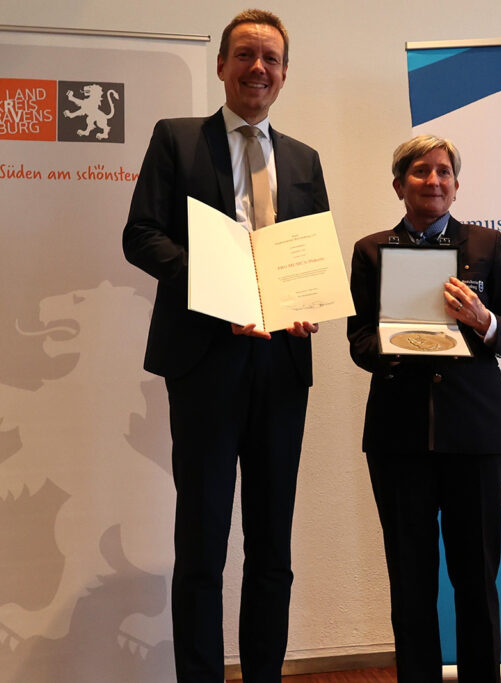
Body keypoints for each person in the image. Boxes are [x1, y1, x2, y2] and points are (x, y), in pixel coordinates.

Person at [123, 9, 328, 682]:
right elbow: (141, 235)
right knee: (203, 541)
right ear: (221, 65)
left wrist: (310, 303)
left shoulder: (304, 159)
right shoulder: (177, 139)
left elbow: (311, 254)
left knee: (272, 545)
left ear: (285, 74)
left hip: (281, 365)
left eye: (271, 58)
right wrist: (218, 288)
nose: (258, 68)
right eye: (245, 55)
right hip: (204, 359)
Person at [347, 135, 501, 682]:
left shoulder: (486, 245)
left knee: (476, 579)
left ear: (456, 184)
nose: (434, 181)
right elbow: (359, 343)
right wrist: (398, 341)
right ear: (398, 184)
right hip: (399, 440)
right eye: (421, 171)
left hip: (476, 437)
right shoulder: (371, 251)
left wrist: (482, 320)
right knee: (411, 583)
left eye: (444, 171)